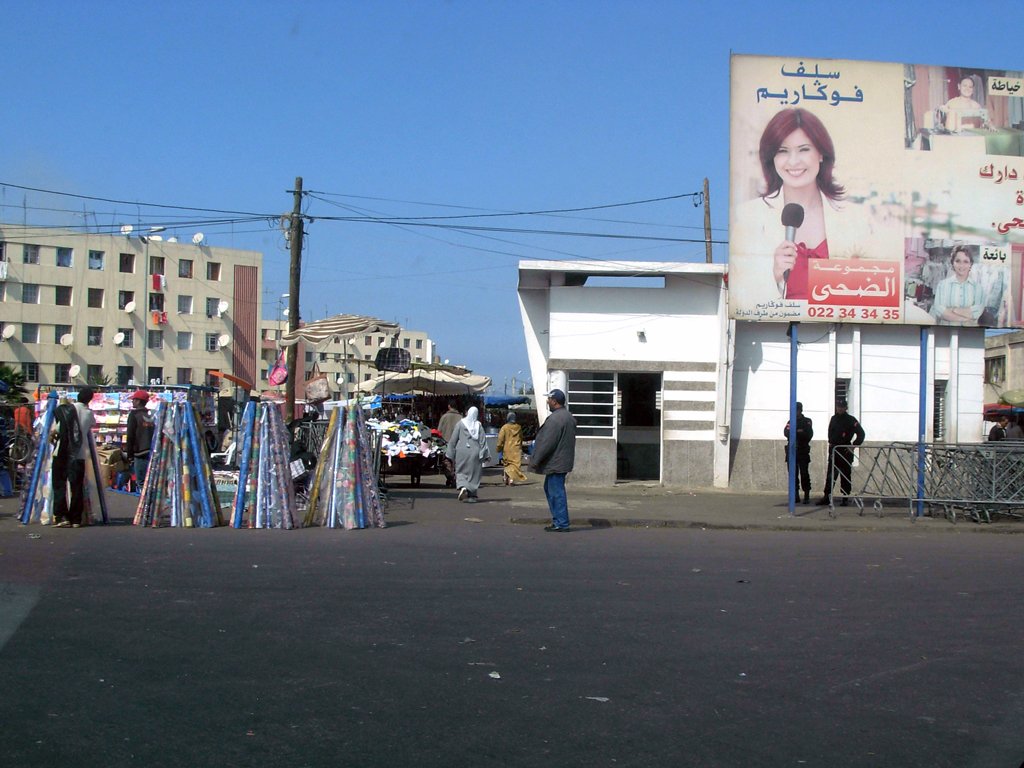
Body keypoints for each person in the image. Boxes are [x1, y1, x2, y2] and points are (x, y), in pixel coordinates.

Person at [531, 389, 576, 532]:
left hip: (555, 462)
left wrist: (535, 460)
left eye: (549, 400)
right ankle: (558, 520)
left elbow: (547, 443)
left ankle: (561, 523)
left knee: (556, 492)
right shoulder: (568, 416)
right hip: (562, 460)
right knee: (552, 490)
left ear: (555, 401)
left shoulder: (555, 419)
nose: (547, 402)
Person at [51, 389, 95, 527]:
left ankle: (62, 517)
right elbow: (89, 427)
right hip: (79, 453)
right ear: (89, 400)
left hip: (62, 452)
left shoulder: (67, 409)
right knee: (76, 487)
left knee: (59, 484)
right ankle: (76, 518)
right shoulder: (89, 414)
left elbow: (56, 430)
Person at [820, 398, 865, 507]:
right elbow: (830, 433)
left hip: (845, 451)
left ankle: (845, 497)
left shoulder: (851, 420)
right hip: (834, 450)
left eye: (842, 407)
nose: (840, 409)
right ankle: (827, 496)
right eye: (838, 407)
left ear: (846, 408)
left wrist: (853, 446)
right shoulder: (834, 418)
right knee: (831, 475)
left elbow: (861, 434)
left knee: (845, 475)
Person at [931, 246, 985, 326]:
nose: (961, 265)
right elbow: (940, 311)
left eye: (965, 261)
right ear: (953, 263)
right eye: (958, 261)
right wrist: (966, 317)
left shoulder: (977, 288)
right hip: (946, 333)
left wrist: (953, 310)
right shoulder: (942, 285)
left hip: (969, 334)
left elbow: (977, 312)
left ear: (971, 264)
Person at [444, 406, 488, 503]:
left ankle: (463, 486)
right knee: (474, 473)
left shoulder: (460, 423)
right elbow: (483, 441)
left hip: (462, 451)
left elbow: (453, 440)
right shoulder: (479, 425)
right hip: (475, 452)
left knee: (461, 470)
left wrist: (449, 454)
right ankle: (472, 496)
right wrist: (484, 455)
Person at [783, 401, 813, 505]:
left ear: (800, 410)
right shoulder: (791, 421)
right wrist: (798, 431)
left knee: (804, 474)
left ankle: (806, 494)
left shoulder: (807, 421)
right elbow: (786, 433)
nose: (795, 412)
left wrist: (795, 432)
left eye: (797, 410)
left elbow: (808, 434)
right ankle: (795, 495)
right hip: (792, 451)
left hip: (803, 451)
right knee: (793, 474)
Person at [125, 389, 154, 491]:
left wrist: (129, 455)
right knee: (150, 482)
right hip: (151, 452)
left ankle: (144, 506)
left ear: (138, 401)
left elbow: (130, 436)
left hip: (140, 453)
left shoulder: (134, 415)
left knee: (141, 482)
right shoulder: (150, 415)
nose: (132, 401)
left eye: (134, 400)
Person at [496, 411, 529, 486]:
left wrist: (498, 448)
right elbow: (521, 438)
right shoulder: (519, 427)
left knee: (508, 464)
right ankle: (511, 479)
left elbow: (500, 439)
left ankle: (506, 478)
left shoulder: (504, 427)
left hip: (507, 449)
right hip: (516, 449)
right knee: (515, 465)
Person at [437, 401, 462, 488]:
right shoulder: (461, 418)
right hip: (458, 444)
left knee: (447, 462)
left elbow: (438, 432)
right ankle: (455, 477)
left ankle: (450, 477)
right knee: (457, 463)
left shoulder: (444, 417)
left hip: (446, 443)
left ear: (449, 406)